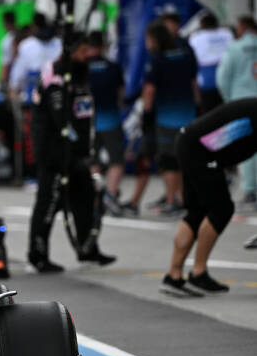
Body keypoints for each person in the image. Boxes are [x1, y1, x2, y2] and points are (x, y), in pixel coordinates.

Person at [27, 33, 116, 272]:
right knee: (49, 202)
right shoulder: (56, 75)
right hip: (55, 154)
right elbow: (62, 122)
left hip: (78, 154)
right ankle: (38, 254)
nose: (88, 56)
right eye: (83, 52)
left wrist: (90, 152)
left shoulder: (81, 74)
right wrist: (77, 153)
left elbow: (84, 116)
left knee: (86, 198)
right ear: (70, 51)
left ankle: (88, 248)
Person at [161, 97, 257, 296]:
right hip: (201, 150)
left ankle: (174, 275)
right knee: (221, 209)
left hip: (191, 143)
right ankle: (198, 272)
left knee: (197, 212)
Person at [126, 20, 199, 216]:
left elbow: (149, 90)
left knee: (169, 161)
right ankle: (184, 200)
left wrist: (147, 115)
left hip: (166, 118)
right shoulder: (186, 53)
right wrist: (198, 107)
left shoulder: (157, 60)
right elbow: (194, 84)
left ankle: (171, 200)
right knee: (184, 159)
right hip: (189, 115)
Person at [216, 16, 257, 208]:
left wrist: (228, 100)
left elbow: (223, 78)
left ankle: (250, 190)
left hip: (241, 102)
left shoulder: (235, 48)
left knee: (245, 147)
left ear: (242, 28)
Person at [87, 31, 126, 216]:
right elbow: (121, 94)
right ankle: (110, 195)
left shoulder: (81, 67)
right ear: (103, 45)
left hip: (88, 123)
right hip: (111, 120)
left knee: (92, 161)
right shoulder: (113, 67)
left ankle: (94, 196)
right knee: (116, 160)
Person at [9, 13, 62, 105]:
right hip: (57, 93)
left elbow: (18, 72)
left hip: (36, 94)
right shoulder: (58, 43)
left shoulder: (26, 45)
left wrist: (13, 87)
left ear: (33, 26)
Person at [189, 14, 234, 114]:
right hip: (229, 79)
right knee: (227, 113)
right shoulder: (227, 34)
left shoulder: (196, 38)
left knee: (210, 114)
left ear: (202, 24)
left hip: (207, 81)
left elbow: (193, 60)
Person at [0, 10, 17, 88]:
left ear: (4, 23)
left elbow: (6, 64)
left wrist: (2, 82)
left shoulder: (6, 41)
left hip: (14, 80)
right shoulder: (25, 35)